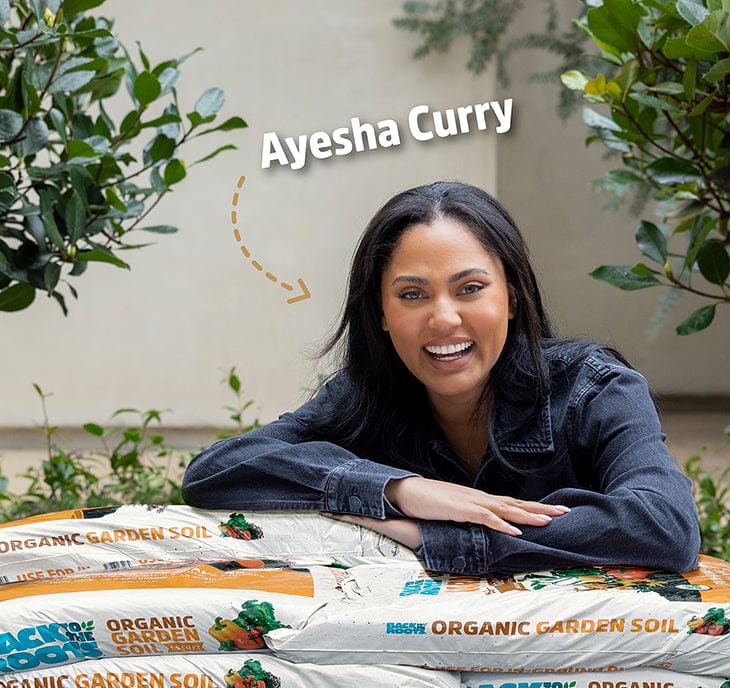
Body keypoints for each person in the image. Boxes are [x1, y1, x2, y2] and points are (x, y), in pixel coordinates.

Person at [183, 181, 700, 578]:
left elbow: (664, 526)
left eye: (470, 288)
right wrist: (401, 489)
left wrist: (436, 535)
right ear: (381, 312)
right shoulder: (364, 397)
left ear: (512, 297)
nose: (444, 319)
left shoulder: (594, 389)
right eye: (412, 295)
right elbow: (215, 471)